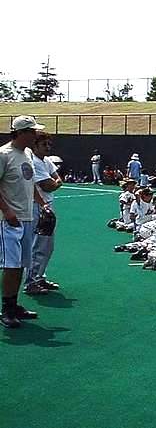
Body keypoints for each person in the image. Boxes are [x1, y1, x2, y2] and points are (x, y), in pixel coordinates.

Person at [0, 116, 46, 328]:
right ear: (20, 133)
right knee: (11, 265)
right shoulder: (4, 154)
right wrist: (7, 211)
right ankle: (6, 310)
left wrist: (42, 204)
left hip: (26, 217)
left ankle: (14, 304)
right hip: (9, 220)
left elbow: (31, 183)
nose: (36, 135)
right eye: (32, 131)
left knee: (20, 264)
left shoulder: (27, 153)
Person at [25, 132, 63, 294]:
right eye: (44, 144)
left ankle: (39, 277)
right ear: (35, 146)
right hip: (37, 206)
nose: (47, 147)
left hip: (47, 205)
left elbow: (57, 179)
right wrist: (56, 182)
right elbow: (48, 185)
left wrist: (56, 182)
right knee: (38, 244)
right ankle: (31, 281)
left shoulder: (46, 160)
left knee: (47, 245)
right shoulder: (33, 161)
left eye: (49, 144)